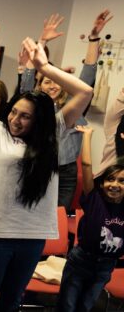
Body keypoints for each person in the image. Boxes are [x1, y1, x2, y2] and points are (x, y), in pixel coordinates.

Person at [0, 23, 93, 311]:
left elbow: (84, 92)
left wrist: (45, 66)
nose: (15, 120)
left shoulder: (54, 131)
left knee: (12, 300)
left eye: (25, 117)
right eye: (14, 113)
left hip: (32, 236)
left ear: (39, 121)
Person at [16, 11, 107, 212]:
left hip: (66, 171)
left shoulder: (74, 109)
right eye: (47, 81)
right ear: (40, 86)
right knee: (34, 213)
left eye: (57, 82)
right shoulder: (36, 108)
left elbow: (88, 76)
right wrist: (42, 42)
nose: (53, 85)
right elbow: (26, 83)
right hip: (39, 165)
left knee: (60, 216)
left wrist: (93, 39)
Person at [56, 125, 123, 312]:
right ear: (102, 184)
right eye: (110, 179)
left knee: (85, 306)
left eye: (121, 181)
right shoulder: (94, 199)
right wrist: (87, 135)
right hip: (81, 261)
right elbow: (86, 165)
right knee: (67, 306)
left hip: (106, 266)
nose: (115, 184)